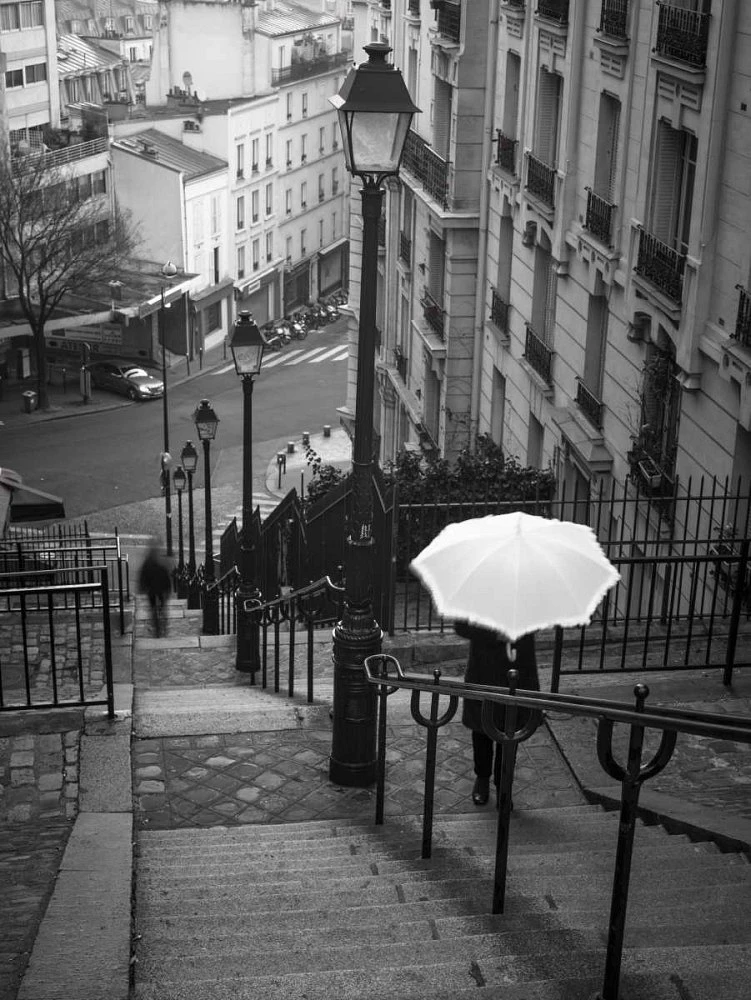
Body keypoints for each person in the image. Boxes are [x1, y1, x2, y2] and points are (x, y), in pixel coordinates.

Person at [455, 620, 540, 807]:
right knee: (482, 726)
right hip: (484, 666)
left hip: (519, 667)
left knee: (513, 727)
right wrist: (495, 634)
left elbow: (540, 620)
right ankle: (482, 778)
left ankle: (504, 785)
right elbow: (461, 626)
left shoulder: (529, 592)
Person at [138, 540, 172, 637]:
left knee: (153, 608)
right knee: (162, 607)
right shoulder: (161, 560)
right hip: (161, 588)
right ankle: (163, 625)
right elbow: (166, 575)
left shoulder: (148, 562)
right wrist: (168, 589)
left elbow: (143, 575)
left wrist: (142, 587)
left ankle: (157, 627)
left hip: (151, 589)